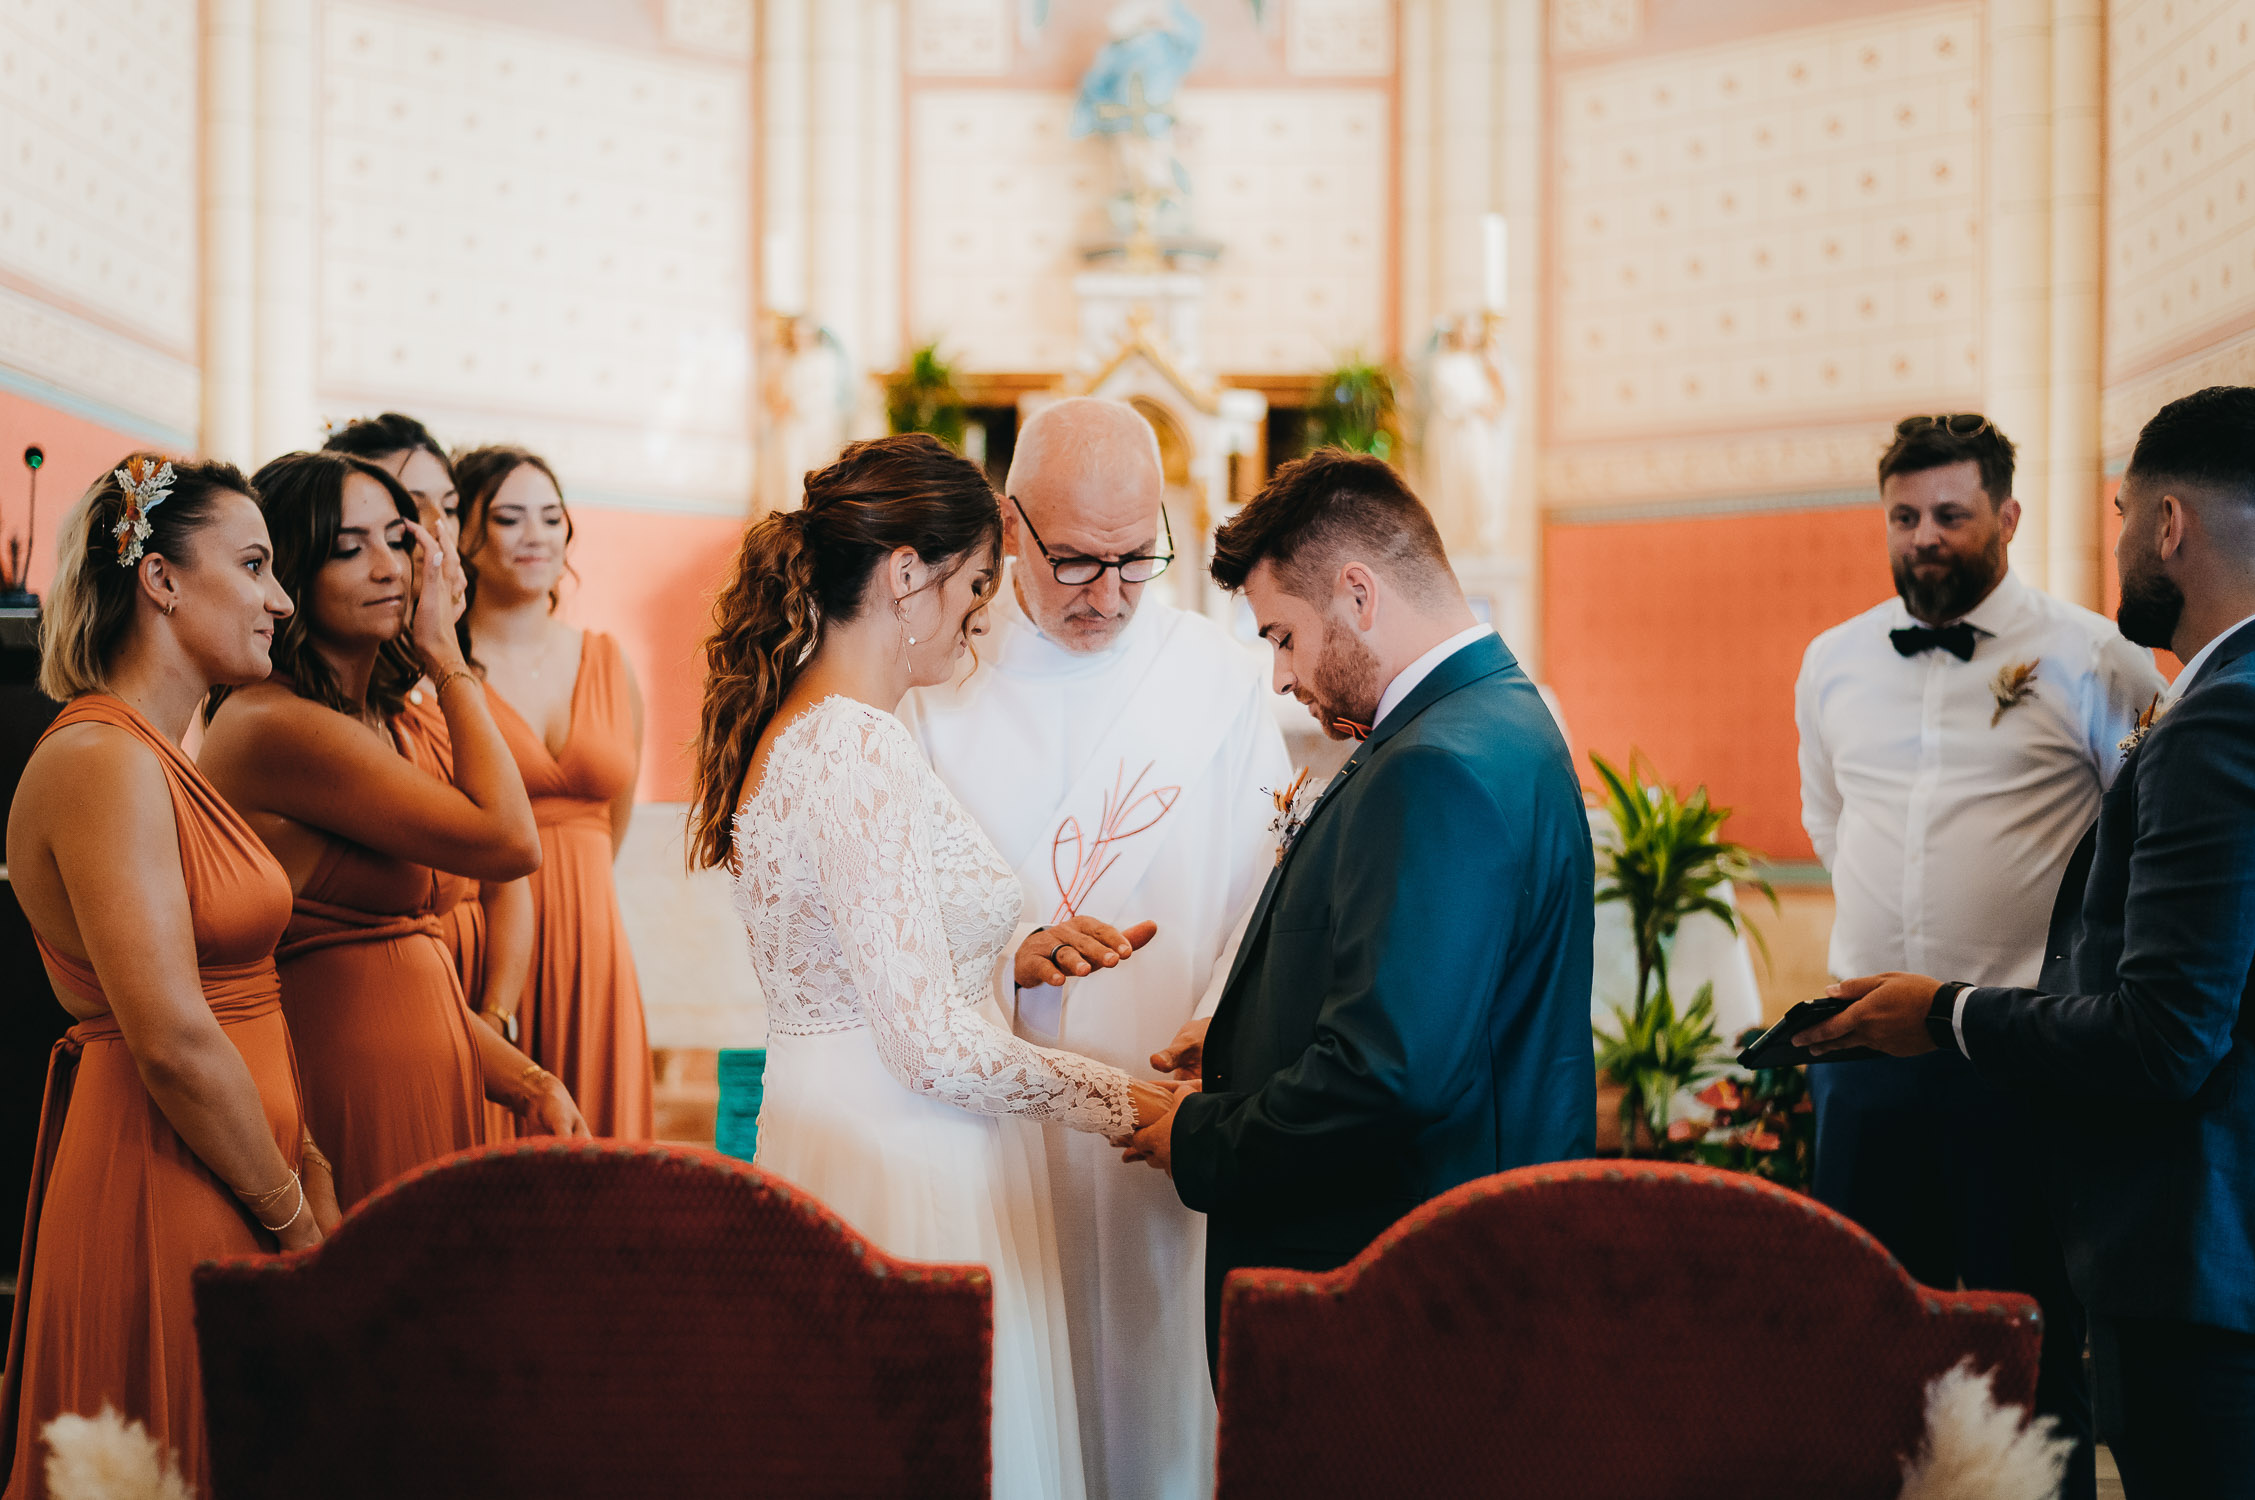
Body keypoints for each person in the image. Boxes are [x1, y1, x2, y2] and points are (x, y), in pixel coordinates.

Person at [688, 433, 1186, 1500]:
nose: (979, 615)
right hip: (902, 1146)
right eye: (974, 584)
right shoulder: (856, 745)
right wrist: (1128, 1103)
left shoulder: (811, 727)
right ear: (906, 574)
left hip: (842, 1120)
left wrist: (1004, 959)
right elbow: (924, 1043)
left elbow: (867, 963)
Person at [1802, 386, 2255, 1499]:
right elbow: (1826, 822)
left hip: (2030, 1057)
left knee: (2033, 1353)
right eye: (1903, 517)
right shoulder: (1831, 661)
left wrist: (1965, 1007)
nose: (1923, 537)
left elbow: (2134, 857)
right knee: (1863, 1340)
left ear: (2006, 518)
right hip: (1870, 1054)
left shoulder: (2102, 660)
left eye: (1949, 515)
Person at [1126, 448, 1596, 1371]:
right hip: (1468, 1254)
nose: (1279, 677)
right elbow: (1435, 999)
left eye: (1282, 636)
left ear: (1356, 593)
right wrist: (1243, 1036)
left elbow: (1391, 1074)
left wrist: (1201, 1138)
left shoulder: (1434, 767)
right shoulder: (1497, 715)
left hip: (1403, 1289)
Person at [901, 398, 1287, 1500]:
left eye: (1134, 560)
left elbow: (1272, 885)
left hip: (1166, 1103)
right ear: (1008, 525)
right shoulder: (936, 679)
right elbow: (891, 901)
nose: (1108, 595)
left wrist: (1222, 1019)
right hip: (991, 1112)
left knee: (1154, 1392)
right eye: (1074, 561)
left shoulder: (1212, 679)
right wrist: (1005, 955)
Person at [3, 456, 337, 1497]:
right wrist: (293, 1220)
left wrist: (303, 1155)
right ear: (159, 579)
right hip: (164, 1178)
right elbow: (175, 1039)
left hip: (234, 1169)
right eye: (254, 565)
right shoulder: (101, 760)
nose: (282, 601)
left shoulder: (164, 753)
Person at [199, 451, 585, 1209]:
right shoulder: (276, 724)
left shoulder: (391, 723)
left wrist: (526, 1078)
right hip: (341, 1090)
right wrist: (446, 656)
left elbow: (406, 960)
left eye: (398, 540)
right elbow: (512, 841)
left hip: (438, 1078)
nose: (388, 568)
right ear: (291, 573)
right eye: (349, 549)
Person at [325, 415, 536, 1141]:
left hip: (470, 997)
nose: (437, 534)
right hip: (379, 1015)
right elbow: (506, 838)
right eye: (411, 513)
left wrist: (495, 1015)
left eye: (449, 507)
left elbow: (512, 872)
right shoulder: (321, 716)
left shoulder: (429, 688)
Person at [454, 445, 653, 1138]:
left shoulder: (607, 659)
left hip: (594, 941)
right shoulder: (441, 668)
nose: (535, 534)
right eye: (509, 517)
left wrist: (577, 889)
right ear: (464, 535)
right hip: (483, 942)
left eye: (550, 516)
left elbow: (613, 818)